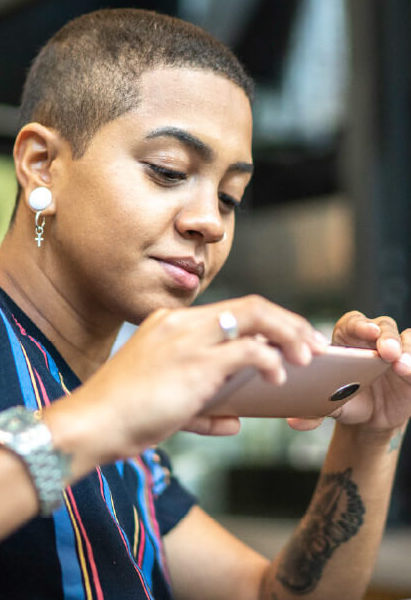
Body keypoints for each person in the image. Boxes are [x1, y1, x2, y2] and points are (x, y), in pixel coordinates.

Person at [0, 7, 410, 600]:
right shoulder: (104, 409)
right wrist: (102, 418)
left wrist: (368, 438)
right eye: (168, 171)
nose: (209, 223)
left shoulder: (108, 409)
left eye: (229, 196)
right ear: (43, 166)